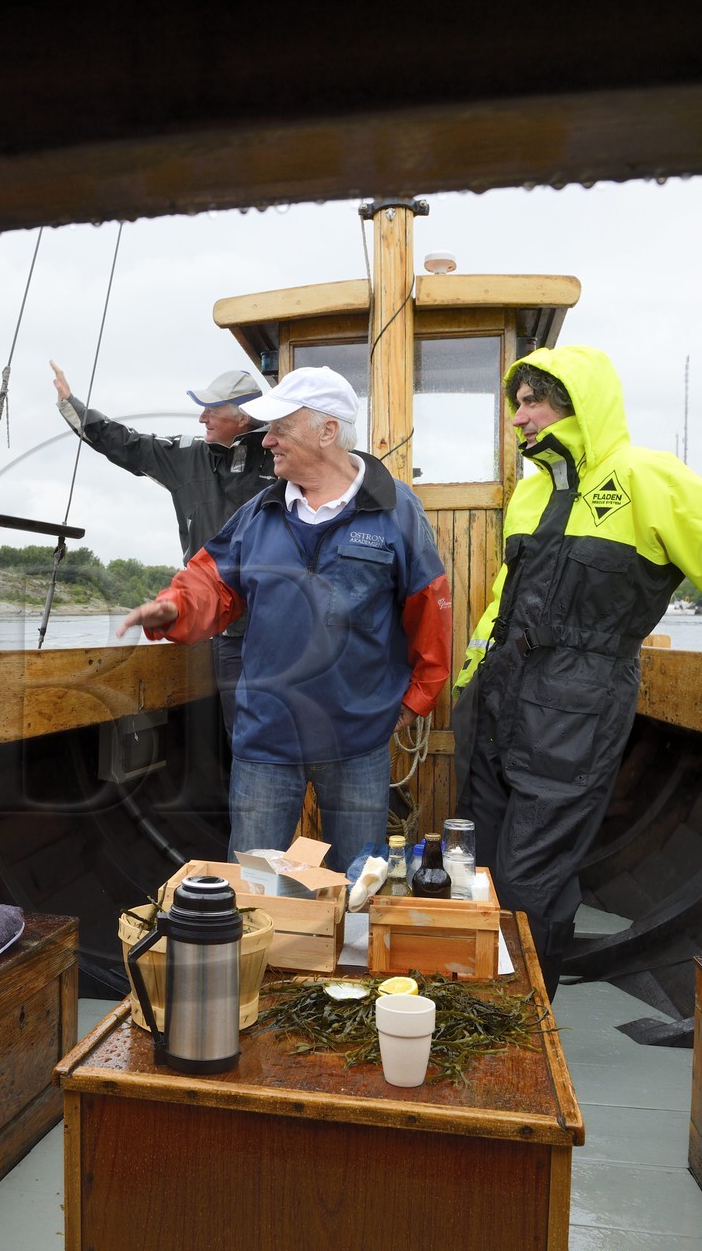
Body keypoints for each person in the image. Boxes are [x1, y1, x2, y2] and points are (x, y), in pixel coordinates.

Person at [118, 366, 452, 872]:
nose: (267, 440)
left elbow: (429, 607)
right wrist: (173, 608)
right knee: (251, 887)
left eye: (280, 429)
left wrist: (416, 699)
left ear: (327, 430)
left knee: (359, 883)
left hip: (357, 739)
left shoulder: (398, 510)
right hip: (266, 736)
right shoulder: (257, 513)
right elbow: (209, 582)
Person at [452, 345, 702, 1001]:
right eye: (516, 404)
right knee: (474, 866)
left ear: (574, 403)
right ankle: (477, 1000)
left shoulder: (651, 478)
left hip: (577, 706)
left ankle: (521, 1021)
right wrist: (469, 676)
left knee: (530, 876)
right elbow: (506, 599)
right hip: (497, 702)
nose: (519, 418)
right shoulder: (531, 492)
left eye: (533, 402)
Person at [50, 360, 274, 733]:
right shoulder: (186, 456)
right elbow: (127, 444)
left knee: (294, 730)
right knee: (244, 735)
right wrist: (71, 405)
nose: (202, 418)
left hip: (279, 627)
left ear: (245, 417)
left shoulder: (281, 458)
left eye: (213, 409)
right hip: (224, 630)